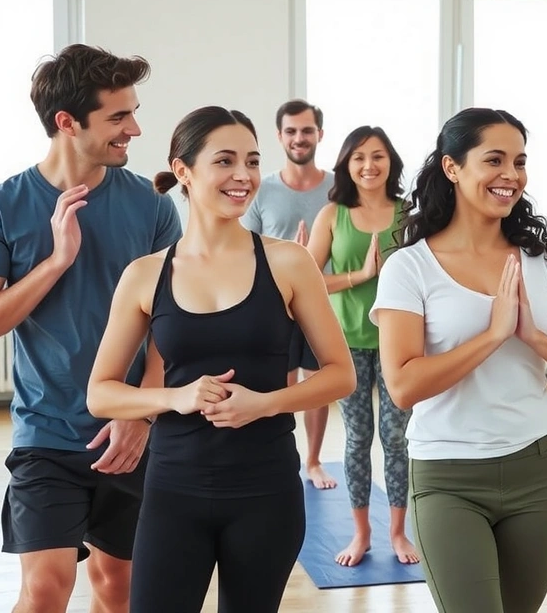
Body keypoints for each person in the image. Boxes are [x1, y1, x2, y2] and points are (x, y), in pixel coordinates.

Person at [86, 106, 356, 613]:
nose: (243, 175)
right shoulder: (145, 274)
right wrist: (176, 397)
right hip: (173, 490)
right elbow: (100, 394)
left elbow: (342, 375)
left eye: (252, 161)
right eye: (225, 161)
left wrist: (265, 403)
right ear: (183, 171)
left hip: (266, 491)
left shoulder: (288, 262)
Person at [0, 44, 180, 613]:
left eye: (133, 113)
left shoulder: (153, 207)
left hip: (131, 430)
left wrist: (143, 413)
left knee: (118, 586)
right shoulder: (0, 206)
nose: (135, 129)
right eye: (118, 117)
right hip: (46, 434)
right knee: (44, 590)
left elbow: (170, 320)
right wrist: (56, 262)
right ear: (67, 122)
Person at [371, 107, 547, 613]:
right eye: (495, 160)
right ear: (452, 167)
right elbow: (403, 386)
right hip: (447, 477)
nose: (511, 175)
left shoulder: (544, 262)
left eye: (520, 162)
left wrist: (535, 338)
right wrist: (493, 334)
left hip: (538, 473)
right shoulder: (409, 267)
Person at [306, 125, 417, 567]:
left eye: (377, 156)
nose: (369, 165)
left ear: (390, 162)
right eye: (359, 157)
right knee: (357, 438)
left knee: (395, 438)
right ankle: (361, 534)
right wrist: (361, 276)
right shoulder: (332, 214)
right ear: (347, 165)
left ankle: (398, 533)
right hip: (346, 342)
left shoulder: (409, 214)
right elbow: (309, 279)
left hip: (397, 342)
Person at [241, 98, 337, 489]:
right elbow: (245, 246)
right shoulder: (261, 189)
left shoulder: (337, 188)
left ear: (319, 134)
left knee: (317, 382)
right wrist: (291, 257)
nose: (300, 138)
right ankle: (275, 456)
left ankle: (313, 461)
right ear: (280, 136)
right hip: (272, 304)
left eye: (307, 130)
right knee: (276, 383)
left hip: (321, 302)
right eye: (291, 131)